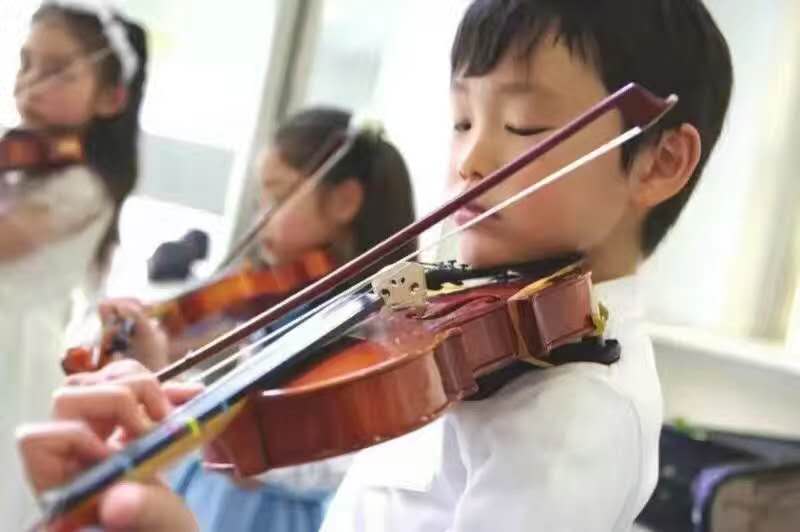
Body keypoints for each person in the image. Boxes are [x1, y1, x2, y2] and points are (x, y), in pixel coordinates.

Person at [16, 0, 734, 530]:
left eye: (525, 125)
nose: (470, 159)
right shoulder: (461, 308)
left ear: (659, 161)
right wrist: (183, 395)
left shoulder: (579, 413)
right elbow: (332, 388)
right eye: (462, 121)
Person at [97, 107, 418, 532]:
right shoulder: (285, 303)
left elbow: (329, 459)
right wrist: (157, 366)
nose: (260, 218)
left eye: (277, 198)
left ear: (344, 202)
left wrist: (210, 431)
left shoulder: (371, 329)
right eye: (259, 201)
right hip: (216, 497)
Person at [0, 0, 147, 528]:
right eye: (25, 63)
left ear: (111, 98)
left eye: (59, 71)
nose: (31, 84)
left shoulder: (83, 186)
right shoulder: (20, 165)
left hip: (13, 355)